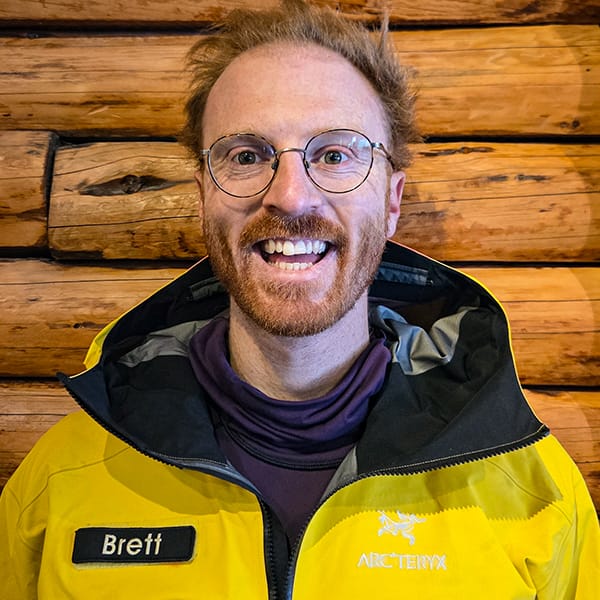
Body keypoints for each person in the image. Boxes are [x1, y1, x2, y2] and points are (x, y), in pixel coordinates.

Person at [1, 0, 598, 597]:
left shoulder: (534, 491)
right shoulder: (60, 481)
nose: (290, 196)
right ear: (203, 196)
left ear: (391, 202)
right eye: (247, 156)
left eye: (335, 155)